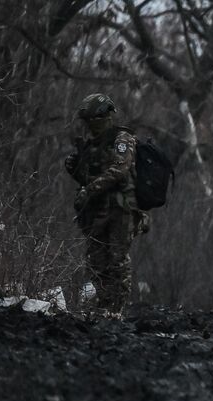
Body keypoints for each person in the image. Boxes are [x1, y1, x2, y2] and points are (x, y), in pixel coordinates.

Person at [64, 93, 148, 317]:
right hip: (97, 210)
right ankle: (104, 305)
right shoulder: (93, 145)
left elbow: (119, 171)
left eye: (93, 120)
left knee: (117, 260)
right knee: (97, 259)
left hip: (121, 209)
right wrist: (74, 168)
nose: (90, 126)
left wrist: (89, 190)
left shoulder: (123, 139)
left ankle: (116, 309)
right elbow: (88, 176)